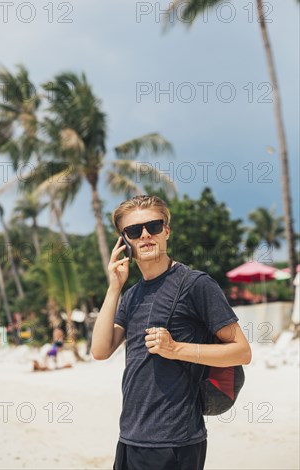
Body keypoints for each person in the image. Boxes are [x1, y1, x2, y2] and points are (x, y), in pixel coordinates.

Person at [91, 195, 251, 470]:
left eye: (153, 226)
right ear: (124, 239)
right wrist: (114, 287)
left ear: (166, 230)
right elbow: (100, 350)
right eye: (133, 230)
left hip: (176, 441)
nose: (145, 235)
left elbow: (242, 352)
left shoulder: (196, 284)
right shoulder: (131, 296)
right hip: (130, 435)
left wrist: (175, 348)